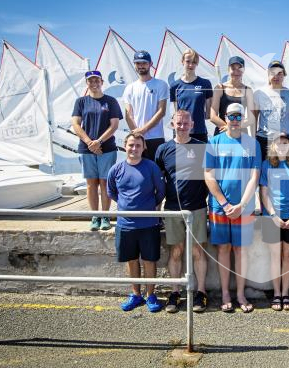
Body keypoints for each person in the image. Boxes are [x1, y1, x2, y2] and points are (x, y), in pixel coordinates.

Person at [204, 102, 261, 313]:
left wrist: (242, 204)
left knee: (240, 250)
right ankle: (226, 293)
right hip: (220, 208)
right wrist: (226, 204)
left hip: (243, 208)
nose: (235, 120)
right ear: (225, 118)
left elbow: (255, 176)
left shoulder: (252, 144)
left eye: (239, 116)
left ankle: (239, 293)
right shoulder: (215, 142)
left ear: (242, 118)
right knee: (224, 249)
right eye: (231, 116)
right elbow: (208, 174)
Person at [155, 109, 209, 313]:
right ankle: (175, 292)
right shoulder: (163, 149)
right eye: (178, 123)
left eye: (186, 122)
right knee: (176, 251)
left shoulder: (202, 147)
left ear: (192, 124)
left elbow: (210, 177)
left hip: (197, 207)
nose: (182, 126)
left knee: (197, 250)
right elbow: (158, 180)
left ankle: (201, 292)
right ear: (172, 124)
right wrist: (157, 207)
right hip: (173, 209)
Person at [106, 132, 166, 312]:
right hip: (125, 224)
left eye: (138, 146)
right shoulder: (116, 169)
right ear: (125, 146)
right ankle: (136, 295)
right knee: (131, 260)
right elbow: (112, 192)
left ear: (143, 148)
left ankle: (151, 295)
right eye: (131, 145)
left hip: (148, 224)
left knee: (149, 260)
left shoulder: (151, 167)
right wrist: (127, 207)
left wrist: (147, 207)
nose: (134, 149)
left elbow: (160, 192)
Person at [259, 132, 289, 311]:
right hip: (271, 217)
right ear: (273, 146)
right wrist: (273, 215)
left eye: (285, 143)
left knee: (287, 256)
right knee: (274, 257)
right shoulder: (267, 165)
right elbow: (263, 193)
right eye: (278, 143)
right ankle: (276, 293)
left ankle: (285, 293)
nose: (282, 146)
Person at [71, 70, 123, 231]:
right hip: (86, 149)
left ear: (102, 82)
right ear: (87, 83)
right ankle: (95, 216)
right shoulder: (81, 102)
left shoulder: (111, 101)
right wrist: (89, 142)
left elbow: (114, 125)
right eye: (90, 81)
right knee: (91, 183)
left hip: (106, 148)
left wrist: (99, 142)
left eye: (96, 80)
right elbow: (76, 124)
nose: (94, 84)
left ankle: (105, 216)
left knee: (105, 182)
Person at [123, 50, 169, 160]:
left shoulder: (161, 84)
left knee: (157, 172)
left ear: (150, 64)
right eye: (138, 63)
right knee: (137, 172)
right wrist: (137, 135)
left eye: (144, 63)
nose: (141, 66)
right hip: (136, 139)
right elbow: (128, 115)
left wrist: (143, 130)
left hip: (155, 137)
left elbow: (161, 111)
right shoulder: (130, 88)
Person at [253, 61, 289, 160]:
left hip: (285, 139)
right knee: (264, 170)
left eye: (280, 73)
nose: (276, 76)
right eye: (273, 73)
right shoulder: (258, 93)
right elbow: (254, 118)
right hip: (264, 139)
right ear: (268, 75)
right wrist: (253, 139)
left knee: (283, 171)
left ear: (284, 75)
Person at [169, 48, 213, 143]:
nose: (190, 65)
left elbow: (209, 113)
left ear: (197, 63)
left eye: (194, 62)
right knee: (181, 158)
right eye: (188, 61)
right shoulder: (174, 86)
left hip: (199, 132)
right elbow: (177, 111)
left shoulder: (205, 84)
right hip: (181, 132)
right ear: (182, 61)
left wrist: (197, 117)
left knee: (201, 158)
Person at [210, 56, 257, 137]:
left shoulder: (248, 90)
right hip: (221, 133)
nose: (236, 71)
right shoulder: (220, 88)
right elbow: (213, 116)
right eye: (233, 68)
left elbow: (251, 118)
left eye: (239, 68)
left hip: (240, 134)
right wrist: (228, 128)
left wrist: (233, 128)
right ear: (228, 69)